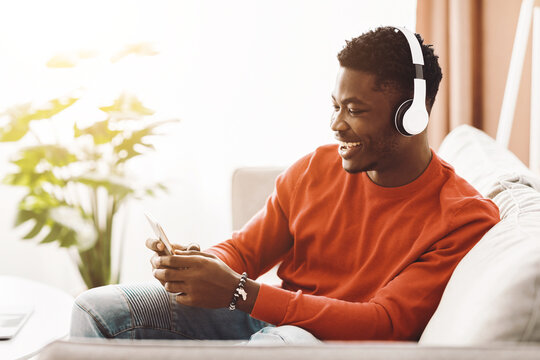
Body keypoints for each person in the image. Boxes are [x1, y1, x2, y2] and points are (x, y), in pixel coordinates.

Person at [70, 26, 499, 343]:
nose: (336, 125)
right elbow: (244, 251)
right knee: (97, 310)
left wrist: (241, 292)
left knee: (280, 346)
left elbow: (382, 323)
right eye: (335, 106)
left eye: (354, 109)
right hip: (267, 318)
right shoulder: (316, 168)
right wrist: (200, 264)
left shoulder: (461, 216)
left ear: (413, 115)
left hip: (331, 344)